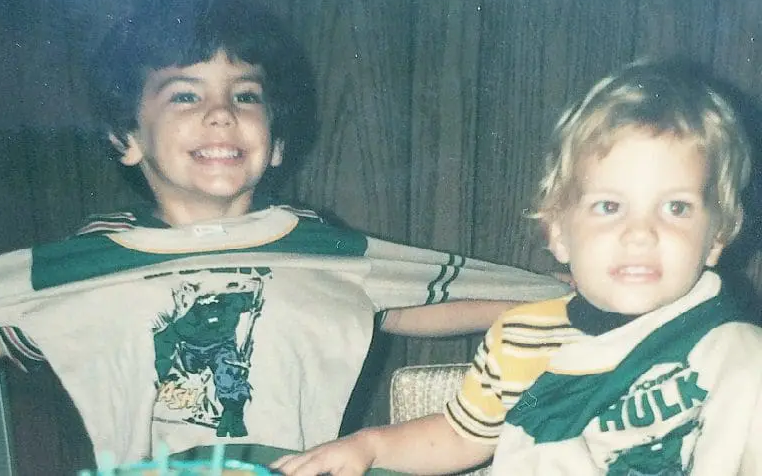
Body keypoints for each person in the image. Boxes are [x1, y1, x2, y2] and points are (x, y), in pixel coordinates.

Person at [0, 0, 568, 466]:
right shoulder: (83, 268)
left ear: (276, 144)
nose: (221, 114)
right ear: (127, 137)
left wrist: (567, 306)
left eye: (246, 95)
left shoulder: (321, 250)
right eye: (184, 96)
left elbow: (417, 298)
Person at [271, 60, 762, 476]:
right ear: (558, 232)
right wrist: (368, 446)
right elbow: (459, 436)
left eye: (676, 208)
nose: (641, 233)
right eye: (609, 207)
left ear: (718, 235)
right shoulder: (522, 337)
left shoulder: (727, 349)